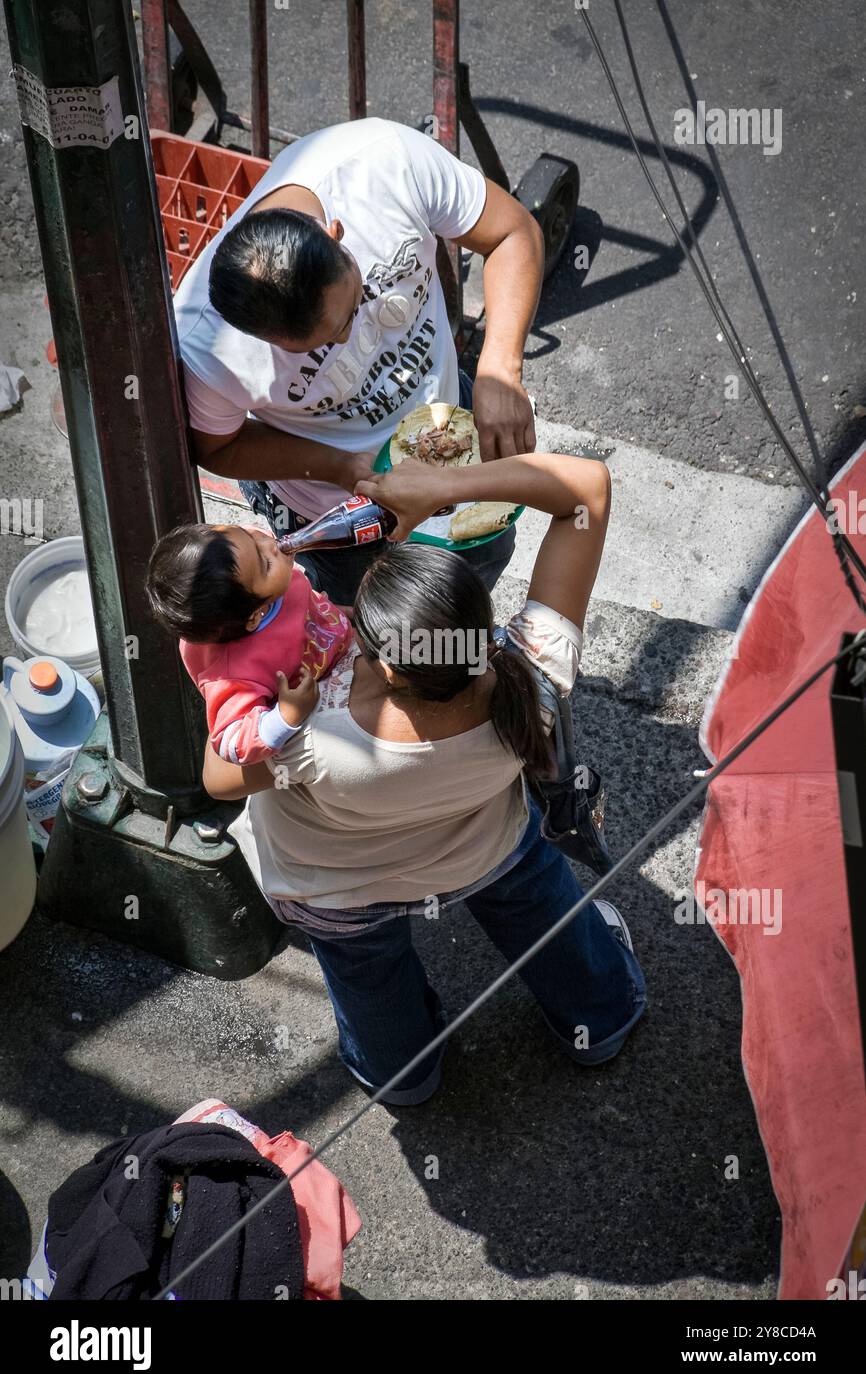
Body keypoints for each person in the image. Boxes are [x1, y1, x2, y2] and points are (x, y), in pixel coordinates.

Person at [203, 451, 646, 1103]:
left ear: (386, 668)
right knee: (533, 894)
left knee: (367, 972)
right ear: (482, 621)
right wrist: (446, 483)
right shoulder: (533, 677)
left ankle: (403, 1076)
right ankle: (599, 1020)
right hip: (482, 851)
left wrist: (236, 675)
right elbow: (587, 490)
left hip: (340, 889)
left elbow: (219, 777)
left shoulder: (313, 729)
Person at [173, 117, 545, 603]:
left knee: (479, 563)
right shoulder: (208, 347)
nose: (351, 336)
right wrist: (345, 469)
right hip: (336, 509)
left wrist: (500, 368)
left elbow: (513, 233)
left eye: (351, 309)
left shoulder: (385, 163)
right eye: (318, 345)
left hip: (452, 426)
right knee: (373, 618)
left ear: (335, 233)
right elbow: (219, 448)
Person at [145, 521, 352, 765]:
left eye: (248, 536)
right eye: (265, 564)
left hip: (337, 635)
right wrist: (286, 715)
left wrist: (337, 613)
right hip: (328, 688)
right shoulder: (237, 672)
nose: (270, 545)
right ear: (256, 616)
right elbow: (230, 742)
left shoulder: (246, 567)